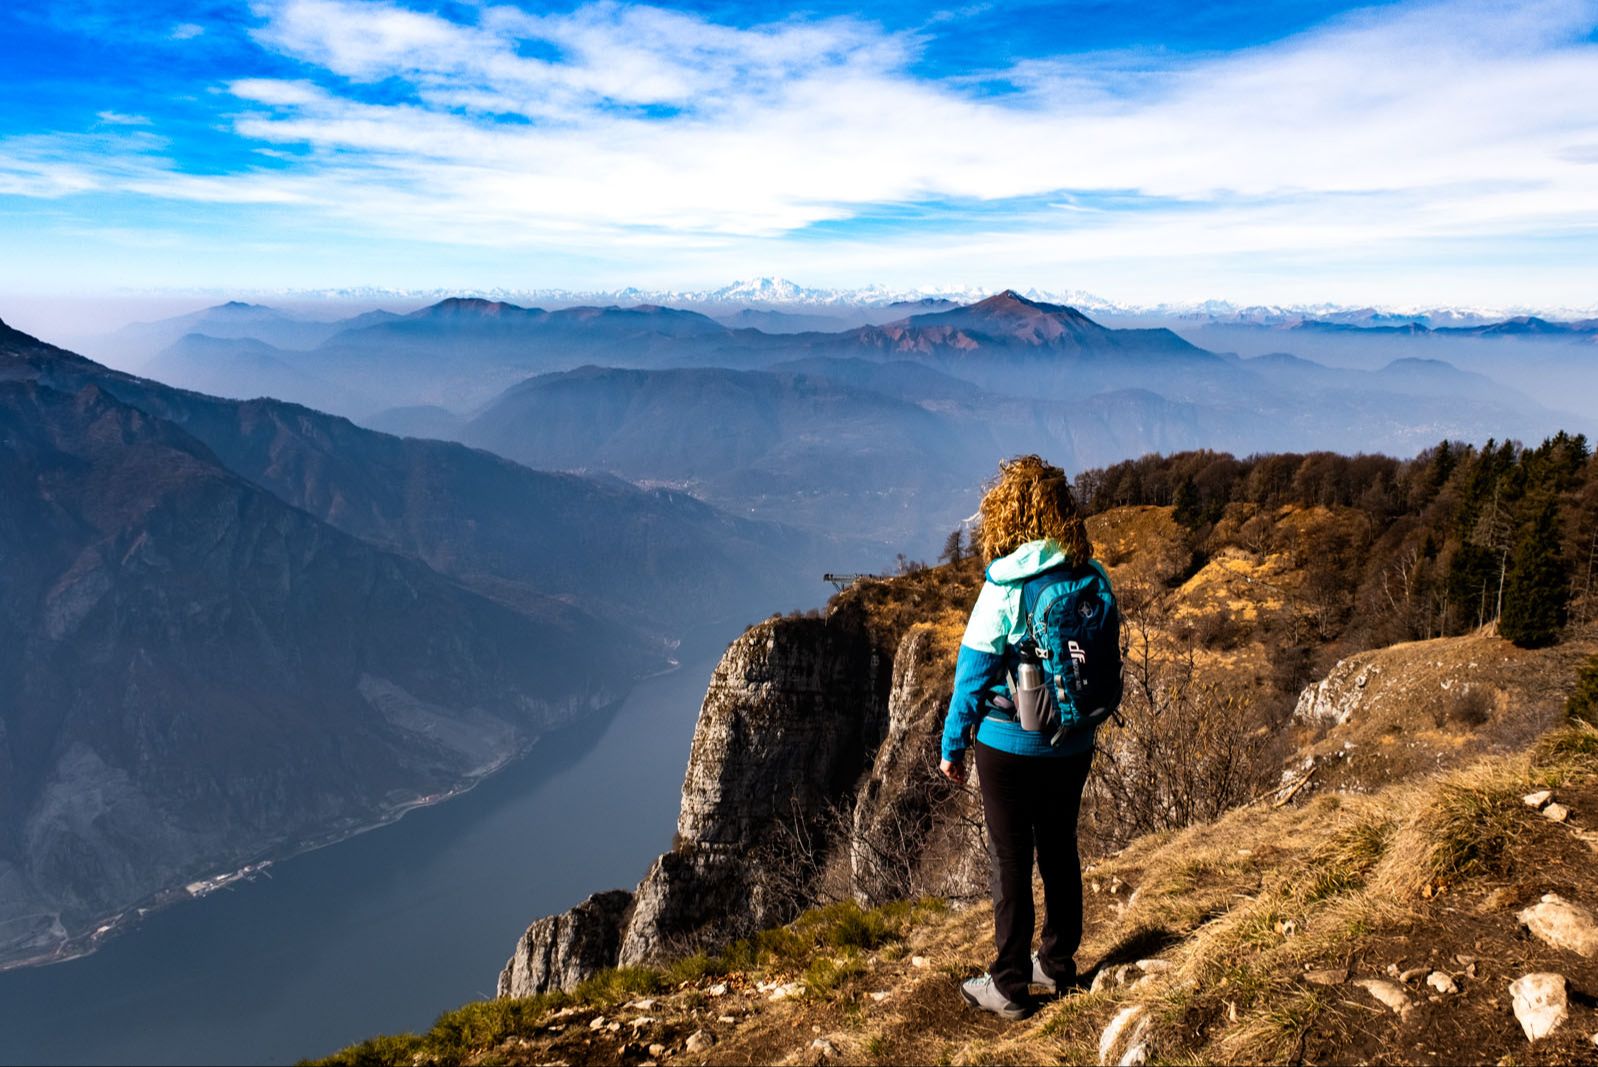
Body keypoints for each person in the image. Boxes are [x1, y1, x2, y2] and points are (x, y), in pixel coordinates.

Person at [939, 454, 1112, 1020]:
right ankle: (1058, 966)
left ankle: (1009, 984)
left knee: (1010, 858)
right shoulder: (1092, 574)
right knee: (1060, 847)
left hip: (1009, 746)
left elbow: (971, 678)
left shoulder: (1006, 583)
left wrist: (952, 746)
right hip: (1073, 740)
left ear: (1006, 514)